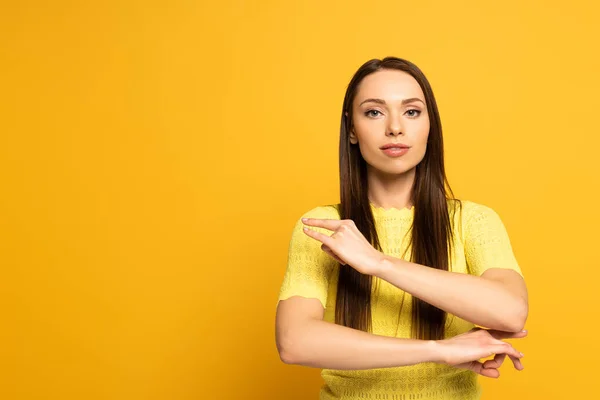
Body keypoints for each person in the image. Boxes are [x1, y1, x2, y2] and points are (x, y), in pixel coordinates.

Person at [274, 57, 529, 400]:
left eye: (411, 112)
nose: (395, 128)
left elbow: (510, 312)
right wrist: (436, 349)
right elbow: (294, 342)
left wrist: (378, 263)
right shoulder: (325, 227)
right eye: (374, 112)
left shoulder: (473, 220)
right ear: (352, 129)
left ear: (429, 126)